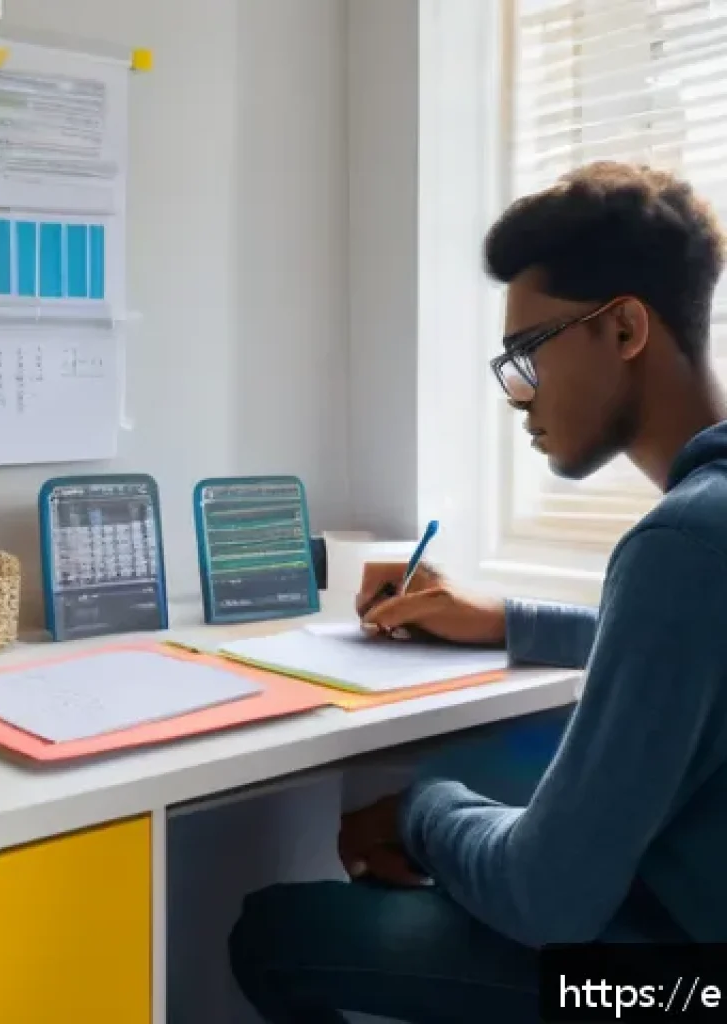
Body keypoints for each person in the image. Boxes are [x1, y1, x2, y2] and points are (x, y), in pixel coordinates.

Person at [229, 161, 727, 1022]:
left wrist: (424, 807)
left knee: (274, 931)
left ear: (625, 330)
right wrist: (501, 619)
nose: (517, 394)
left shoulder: (681, 543)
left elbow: (545, 900)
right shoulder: (705, 530)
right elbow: (678, 649)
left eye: (528, 353)